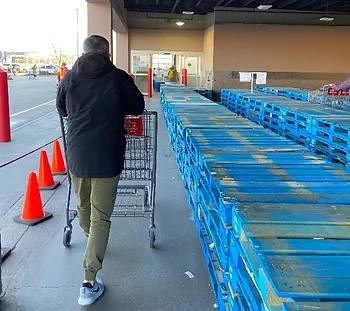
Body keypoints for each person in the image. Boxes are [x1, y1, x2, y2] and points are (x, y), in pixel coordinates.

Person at [56, 35, 145, 306]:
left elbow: (62, 109)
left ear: (83, 52)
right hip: (107, 155)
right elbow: (138, 106)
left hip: (77, 154)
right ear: (107, 54)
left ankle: (91, 239)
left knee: (84, 206)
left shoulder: (69, 78)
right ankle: (88, 280)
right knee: (100, 217)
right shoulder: (118, 77)